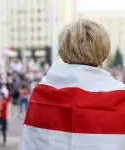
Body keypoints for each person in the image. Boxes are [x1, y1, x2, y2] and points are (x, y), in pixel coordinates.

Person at [19, 20, 125, 150]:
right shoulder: (120, 96)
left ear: (64, 48)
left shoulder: (42, 91)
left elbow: (32, 142)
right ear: (103, 49)